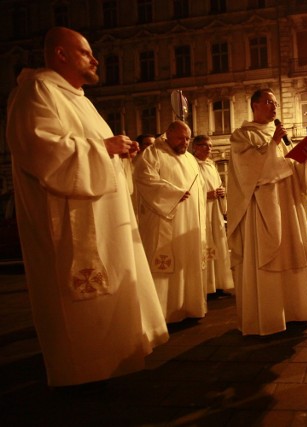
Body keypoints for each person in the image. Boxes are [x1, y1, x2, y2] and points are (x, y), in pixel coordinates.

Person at [5, 27, 168, 388]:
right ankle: (84, 373)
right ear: (60, 54)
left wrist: (119, 153)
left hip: (103, 218)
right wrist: (103, 149)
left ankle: (115, 363)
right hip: (69, 224)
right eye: (85, 53)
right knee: (82, 303)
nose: (95, 59)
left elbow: (94, 147)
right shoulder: (38, 90)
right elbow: (39, 149)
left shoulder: (78, 98)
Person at [227, 88, 307, 336]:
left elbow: (292, 169)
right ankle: (268, 317)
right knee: (269, 255)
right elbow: (249, 172)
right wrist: (274, 143)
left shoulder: (280, 137)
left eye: (275, 103)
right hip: (263, 208)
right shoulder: (242, 136)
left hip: (288, 205)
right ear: (255, 105)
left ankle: (294, 311)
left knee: (290, 253)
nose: (274, 107)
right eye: (268, 102)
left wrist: (306, 160)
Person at [134, 121, 208, 323]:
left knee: (187, 263)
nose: (184, 142)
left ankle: (190, 307)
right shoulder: (153, 153)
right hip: (165, 220)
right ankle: (164, 313)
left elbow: (199, 188)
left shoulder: (191, 160)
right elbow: (143, 178)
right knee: (167, 266)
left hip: (189, 222)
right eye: (180, 138)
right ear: (168, 135)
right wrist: (172, 194)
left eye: (187, 138)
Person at [192, 135, 234, 299]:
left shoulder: (211, 165)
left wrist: (222, 192)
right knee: (206, 245)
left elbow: (218, 184)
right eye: (204, 145)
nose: (208, 149)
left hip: (214, 211)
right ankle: (208, 286)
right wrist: (205, 194)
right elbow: (190, 188)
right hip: (202, 211)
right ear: (195, 147)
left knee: (218, 245)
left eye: (210, 146)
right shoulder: (191, 164)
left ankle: (220, 284)